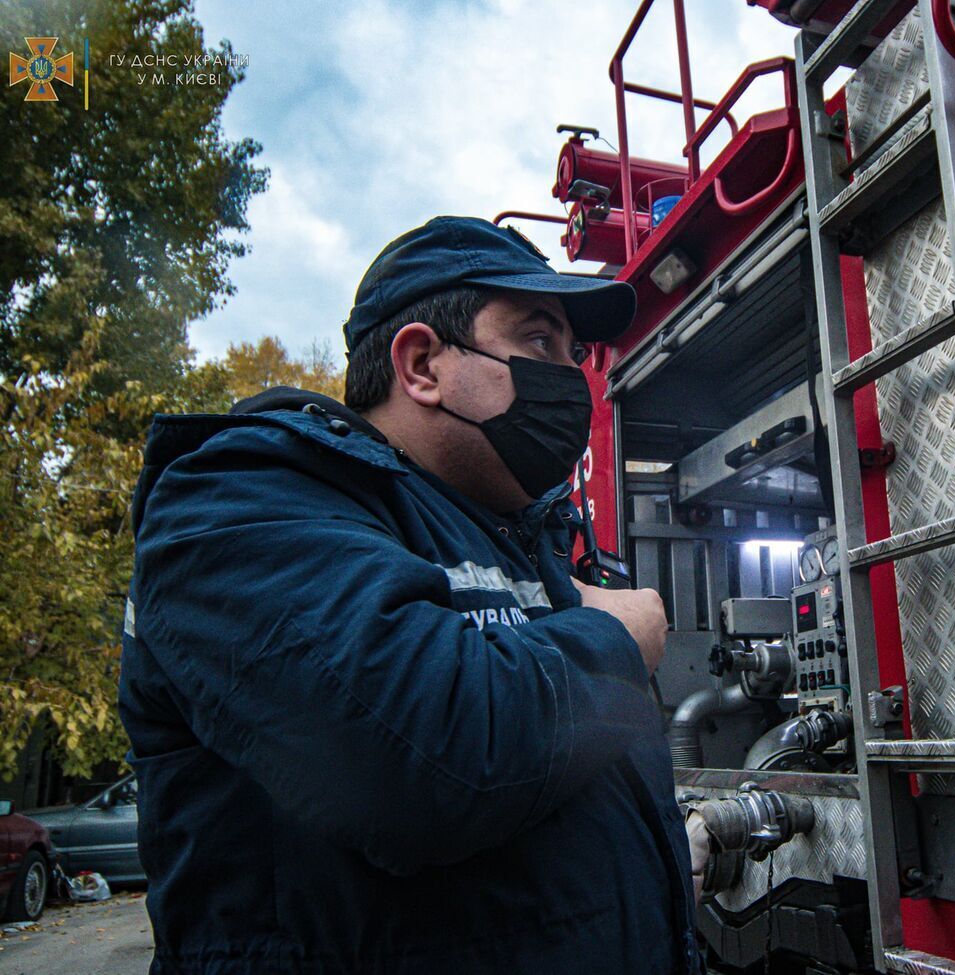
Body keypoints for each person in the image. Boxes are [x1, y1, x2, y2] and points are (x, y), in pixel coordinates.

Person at [118, 216, 701, 974]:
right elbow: (425, 754)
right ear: (422, 363)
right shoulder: (236, 497)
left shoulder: (515, 540)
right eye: (537, 343)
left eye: (575, 353)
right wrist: (615, 640)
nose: (570, 378)